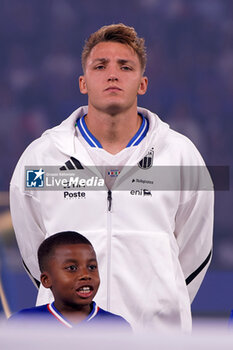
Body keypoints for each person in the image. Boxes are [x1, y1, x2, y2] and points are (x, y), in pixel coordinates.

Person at [10, 23, 214, 332]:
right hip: (64, 336)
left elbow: (195, 253)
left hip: (155, 337)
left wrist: (163, 299)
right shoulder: (41, 158)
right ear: (83, 82)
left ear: (142, 83)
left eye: (125, 66)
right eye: (100, 65)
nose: (113, 74)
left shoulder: (181, 156)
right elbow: (36, 255)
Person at [8, 231, 130, 330]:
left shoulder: (117, 327)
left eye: (92, 267)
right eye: (72, 268)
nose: (85, 275)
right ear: (46, 280)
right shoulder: (22, 323)